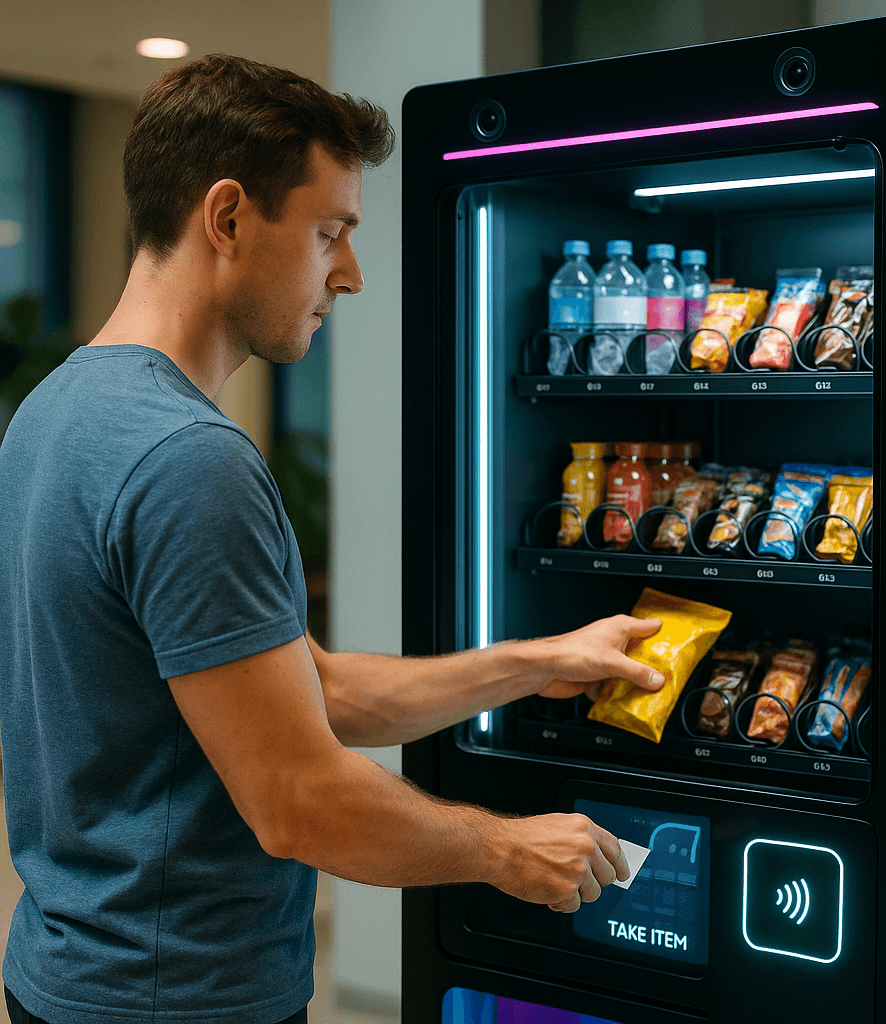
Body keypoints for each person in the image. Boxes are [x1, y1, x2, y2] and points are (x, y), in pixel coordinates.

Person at [0, 54, 666, 1024]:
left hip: (67, 976)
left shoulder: (51, 410)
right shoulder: (191, 458)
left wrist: (535, 661)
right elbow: (297, 797)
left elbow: (313, 693)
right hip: (177, 999)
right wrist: (504, 848)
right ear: (227, 218)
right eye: (330, 233)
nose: (348, 275)